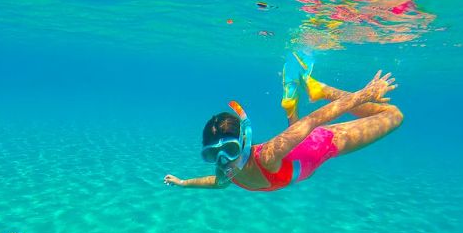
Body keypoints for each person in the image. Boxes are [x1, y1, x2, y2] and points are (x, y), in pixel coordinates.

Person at [163, 53, 403, 191]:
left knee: (394, 115)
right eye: (212, 155)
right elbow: (217, 183)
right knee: (294, 141)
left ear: (244, 141)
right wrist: (183, 182)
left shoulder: (267, 155)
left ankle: (323, 90)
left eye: (230, 149)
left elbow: (314, 120)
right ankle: (294, 105)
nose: (223, 159)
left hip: (326, 143)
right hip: (297, 155)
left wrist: (366, 94)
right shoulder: (225, 170)